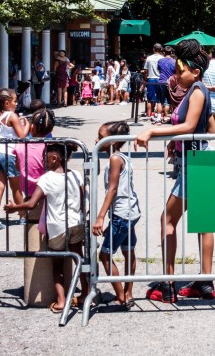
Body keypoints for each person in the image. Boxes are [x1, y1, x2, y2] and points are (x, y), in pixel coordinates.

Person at [135, 39, 215, 302]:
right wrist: (176, 141)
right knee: (204, 223)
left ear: (196, 72)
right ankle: (204, 283)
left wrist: (154, 130)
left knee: (167, 220)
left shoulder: (198, 91)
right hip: (194, 159)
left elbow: (191, 125)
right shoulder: (198, 91)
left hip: (193, 163)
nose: (177, 75)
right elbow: (211, 128)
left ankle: (168, 284)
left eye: (181, 71)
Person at [6, 141, 88, 313]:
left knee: (57, 265)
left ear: (54, 158)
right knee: (78, 259)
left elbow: (31, 204)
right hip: (76, 222)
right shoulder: (76, 175)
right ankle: (85, 294)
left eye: (45, 158)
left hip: (57, 226)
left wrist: (13, 207)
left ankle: (60, 301)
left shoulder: (46, 179)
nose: (43, 162)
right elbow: (81, 200)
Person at [92, 122, 142, 309]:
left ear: (112, 140)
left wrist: (100, 216)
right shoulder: (121, 157)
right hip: (129, 211)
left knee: (105, 255)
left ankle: (121, 296)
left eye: (101, 136)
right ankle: (128, 293)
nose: (97, 139)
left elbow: (112, 189)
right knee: (128, 251)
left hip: (122, 213)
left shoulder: (114, 159)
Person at [0, 88, 29, 232]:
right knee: (15, 187)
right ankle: (23, 216)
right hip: (9, 153)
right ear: (6, 103)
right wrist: (26, 124)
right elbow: (22, 136)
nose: (16, 104)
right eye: (15, 101)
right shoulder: (12, 116)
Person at [144, 43, 164, 123]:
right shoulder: (162, 58)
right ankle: (159, 114)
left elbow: (146, 70)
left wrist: (145, 78)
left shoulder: (149, 58)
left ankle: (149, 115)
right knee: (159, 98)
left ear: (153, 49)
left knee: (149, 99)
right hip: (160, 79)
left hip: (151, 78)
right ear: (161, 49)